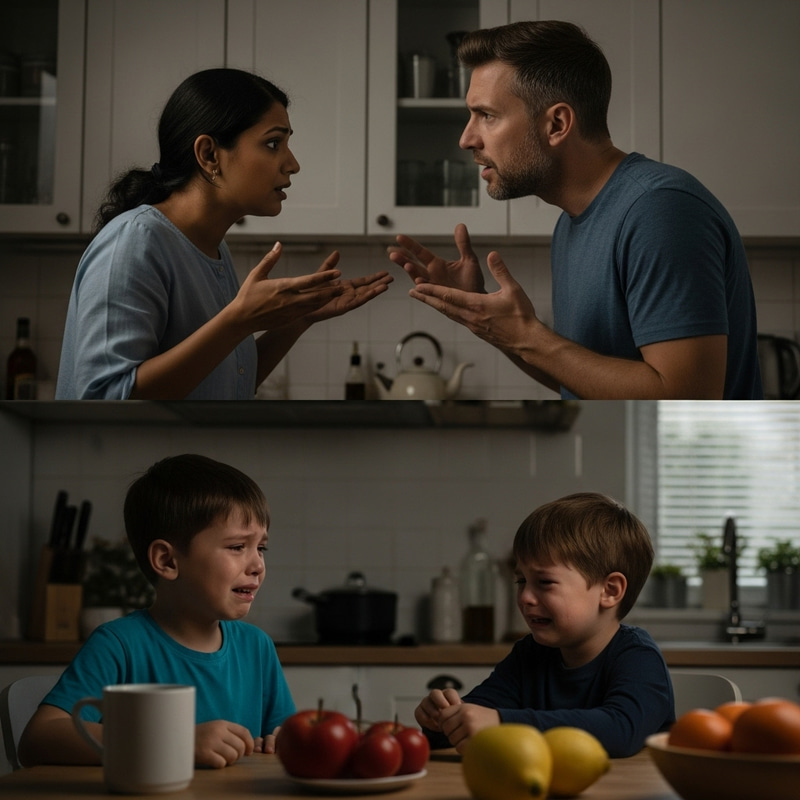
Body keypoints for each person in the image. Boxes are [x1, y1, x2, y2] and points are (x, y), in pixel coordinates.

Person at [388, 21, 762, 400]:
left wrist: (527, 336)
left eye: (487, 115)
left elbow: (687, 397)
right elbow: (580, 378)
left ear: (557, 124)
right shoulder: (570, 224)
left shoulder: (659, 210)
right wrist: (490, 321)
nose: (466, 139)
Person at [56, 68, 392, 399]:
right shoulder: (134, 241)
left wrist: (298, 319)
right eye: (273, 143)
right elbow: (104, 399)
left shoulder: (214, 249)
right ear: (209, 154)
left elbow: (226, 384)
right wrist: (237, 322)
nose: (293, 164)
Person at [18, 454, 294, 769]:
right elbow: (38, 739)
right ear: (167, 561)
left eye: (261, 548)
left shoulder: (257, 647)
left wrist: (283, 741)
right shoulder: (119, 645)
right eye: (237, 547)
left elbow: (284, 737)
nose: (258, 565)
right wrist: (174, 743)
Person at [414, 492, 674, 758]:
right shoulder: (529, 655)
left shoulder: (638, 657)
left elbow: (621, 730)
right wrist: (442, 719)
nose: (525, 597)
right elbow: (478, 716)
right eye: (521, 581)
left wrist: (502, 723)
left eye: (545, 582)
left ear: (609, 590)